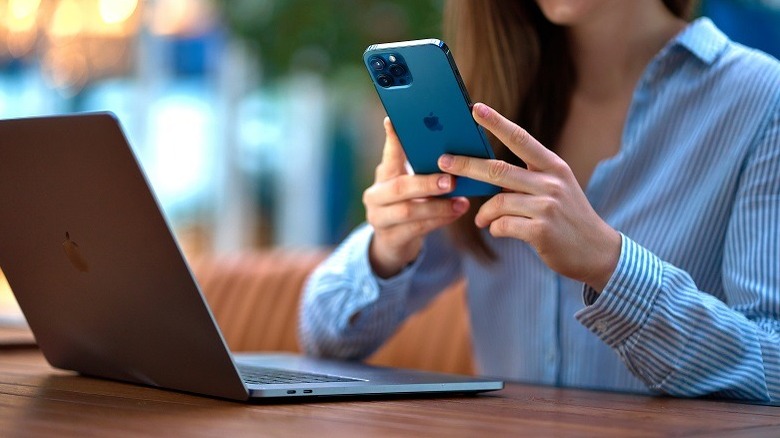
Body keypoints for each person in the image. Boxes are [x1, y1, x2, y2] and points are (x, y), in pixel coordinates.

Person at [299, 0, 780, 402]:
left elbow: (772, 370)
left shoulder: (762, 102)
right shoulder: (488, 104)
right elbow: (322, 335)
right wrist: (386, 251)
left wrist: (611, 267)